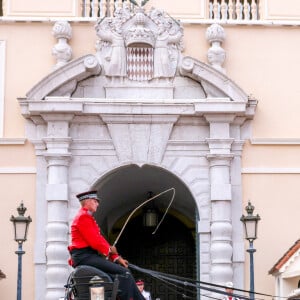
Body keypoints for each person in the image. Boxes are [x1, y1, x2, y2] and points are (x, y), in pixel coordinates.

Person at [68, 190, 144, 300]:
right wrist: (110, 250)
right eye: (95, 201)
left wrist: (116, 257)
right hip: (85, 257)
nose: (97, 204)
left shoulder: (86, 217)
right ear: (88, 201)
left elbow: (100, 240)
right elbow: (96, 241)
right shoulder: (83, 217)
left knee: (118, 275)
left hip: (87, 256)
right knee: (124, 273)